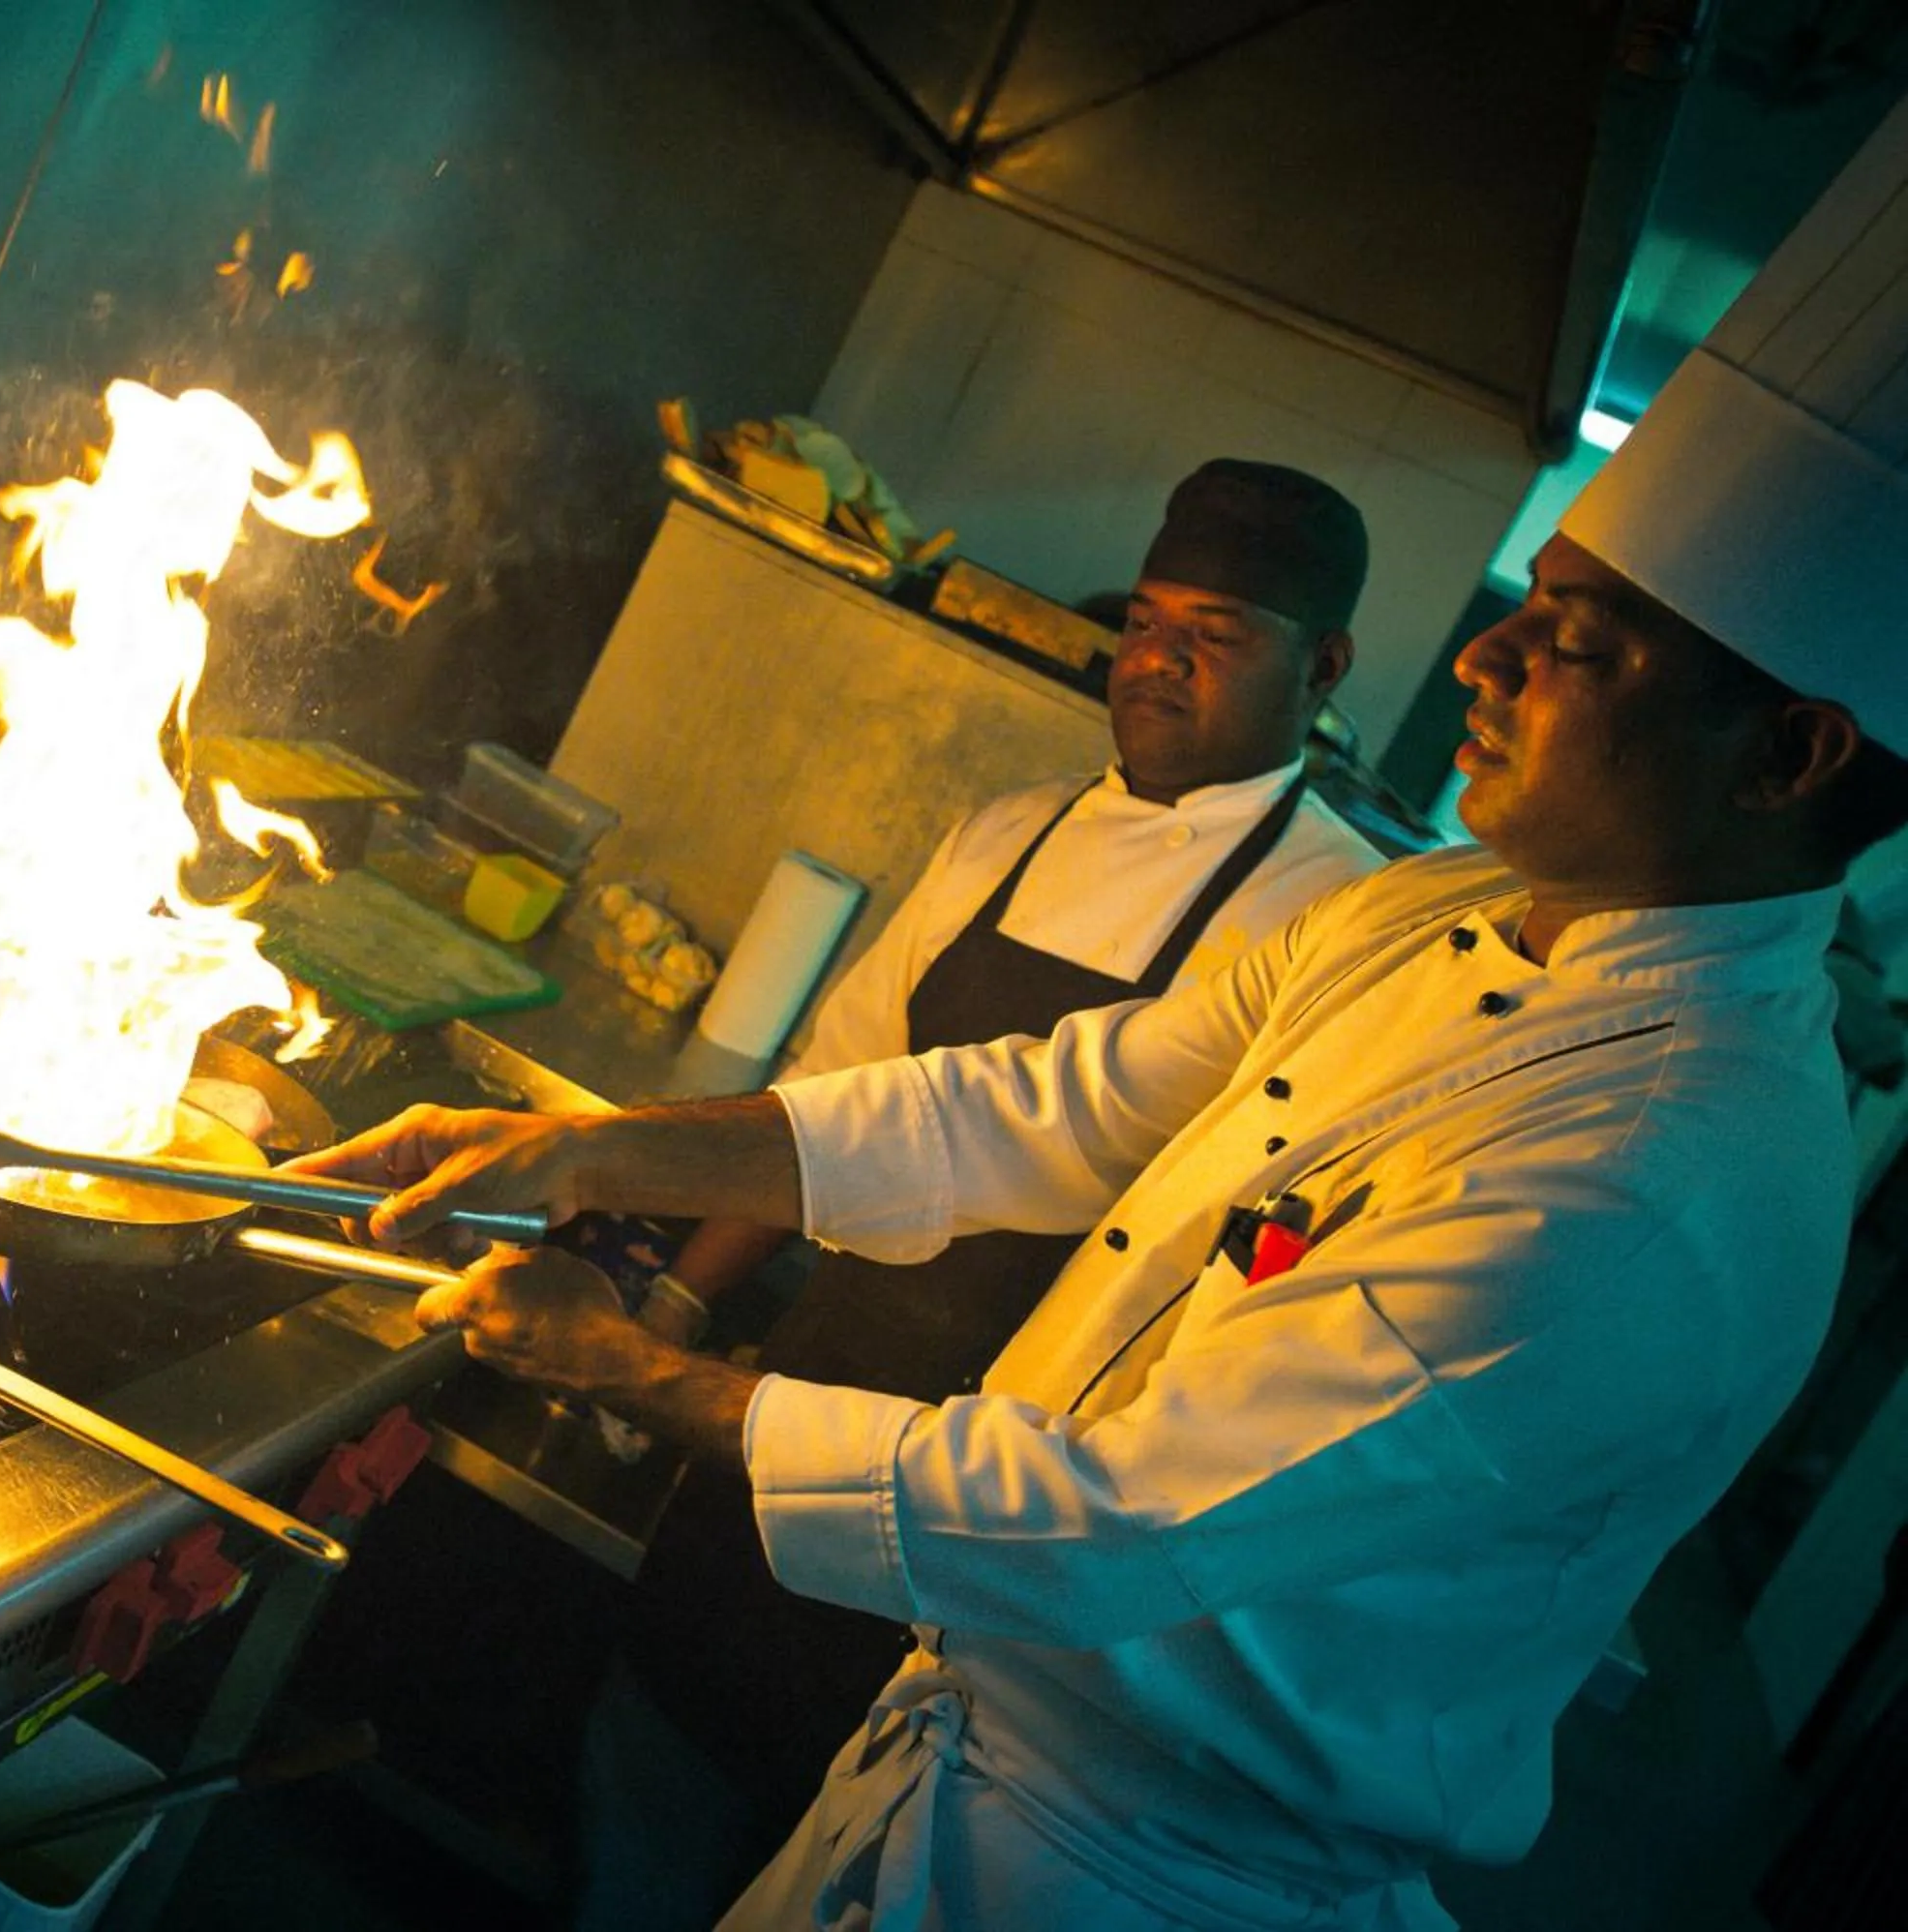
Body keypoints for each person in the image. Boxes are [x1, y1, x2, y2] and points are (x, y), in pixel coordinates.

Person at [295, 99, 1908, 1931]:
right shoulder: (1442, 912)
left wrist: (631, 1367)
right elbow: (1036, 1105)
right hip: (958, 1724)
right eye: (1526, 608)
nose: (1488, 656)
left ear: (1791, 755)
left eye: (1582, 645)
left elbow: (1121, 1517)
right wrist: (584, 1150)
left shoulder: (1665, 1175)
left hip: (1138, 1872)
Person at [603, 459, 1388, 1917]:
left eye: (1214, 635)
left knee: (861, 1858)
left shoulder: (1337, 917)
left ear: (1324, 667)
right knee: (657, 1765)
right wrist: (675, 1306)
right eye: (1146, 621)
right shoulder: (1006, 832)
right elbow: (829, 1111)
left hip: (1017, 1499)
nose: (1156, 661)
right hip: (813, 1393)